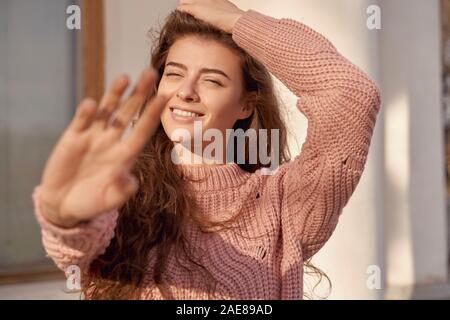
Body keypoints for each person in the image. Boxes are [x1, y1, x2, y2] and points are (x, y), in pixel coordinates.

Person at [32, 0, 381, 300]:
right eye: (174, 74)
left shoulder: (285, 202)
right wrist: (63, 216)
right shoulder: (121, 193)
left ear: (246, 104)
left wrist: (241, 22)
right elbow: (76, 245)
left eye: (212, 80)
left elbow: (350, 94)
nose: (186, 91)